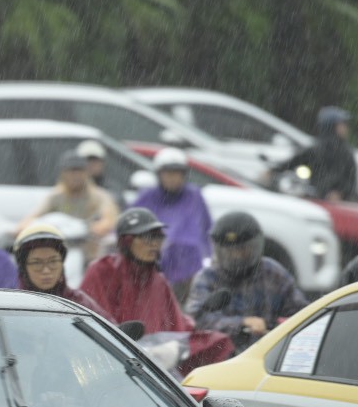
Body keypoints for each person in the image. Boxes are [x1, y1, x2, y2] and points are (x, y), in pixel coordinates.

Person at [186, 211, 307, 351]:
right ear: (218, 250)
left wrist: (275, 326)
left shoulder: (273, 273)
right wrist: (241, 323)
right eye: (229, 251)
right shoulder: (208, 278)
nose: (237, 256)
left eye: (243, 249)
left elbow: (302, 313)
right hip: (220, 358)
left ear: (256, 245)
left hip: (268, 354)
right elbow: (197, 320)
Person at [80, 208, 191, 333]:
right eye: (147, 237)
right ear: (126, 241)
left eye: (158, 237)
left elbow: (178, 325)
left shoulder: (158, 280)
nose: (154, 244)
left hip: (155, 350)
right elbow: (89, 324)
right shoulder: (102, 271)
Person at [129, 148, 213, 296]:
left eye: (177, 173)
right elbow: (130, 223)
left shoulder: (193, 197)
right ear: (159, 174)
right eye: (168, 173)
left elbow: (204, 230)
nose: (173, 178)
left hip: (186, 273)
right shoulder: (147, 196)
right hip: (147, 266)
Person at [21, 150, 118, 256]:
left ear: (86, 173)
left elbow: (110, 219)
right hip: (61, 249)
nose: (76, 175)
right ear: (63, 174)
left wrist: (91, 229)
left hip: (88, 250)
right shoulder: (56, 196)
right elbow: (32, 218)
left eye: (79, 171)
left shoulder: (98, 196)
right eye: (71, 171)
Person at [13, 222, 107, 315]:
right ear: (23, 268)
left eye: (53, 261)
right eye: (37, 263)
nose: (46, 270)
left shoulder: (79, 304)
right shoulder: (12, 307)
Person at [270, 105, 358, 202]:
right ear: (331, 126)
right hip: (314, 199)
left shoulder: (346, 152)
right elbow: (293, 162)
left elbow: (351, 182)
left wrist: (339, 193)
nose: (345, 128)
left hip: (334, 204)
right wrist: (272, 171)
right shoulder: (318, 148)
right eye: (342, 124)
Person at [77, 139, 120, 209]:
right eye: (87, 160)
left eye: (95, 160)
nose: (91, 164)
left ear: (102, 163)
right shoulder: (68, 189)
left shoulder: (112, 189)